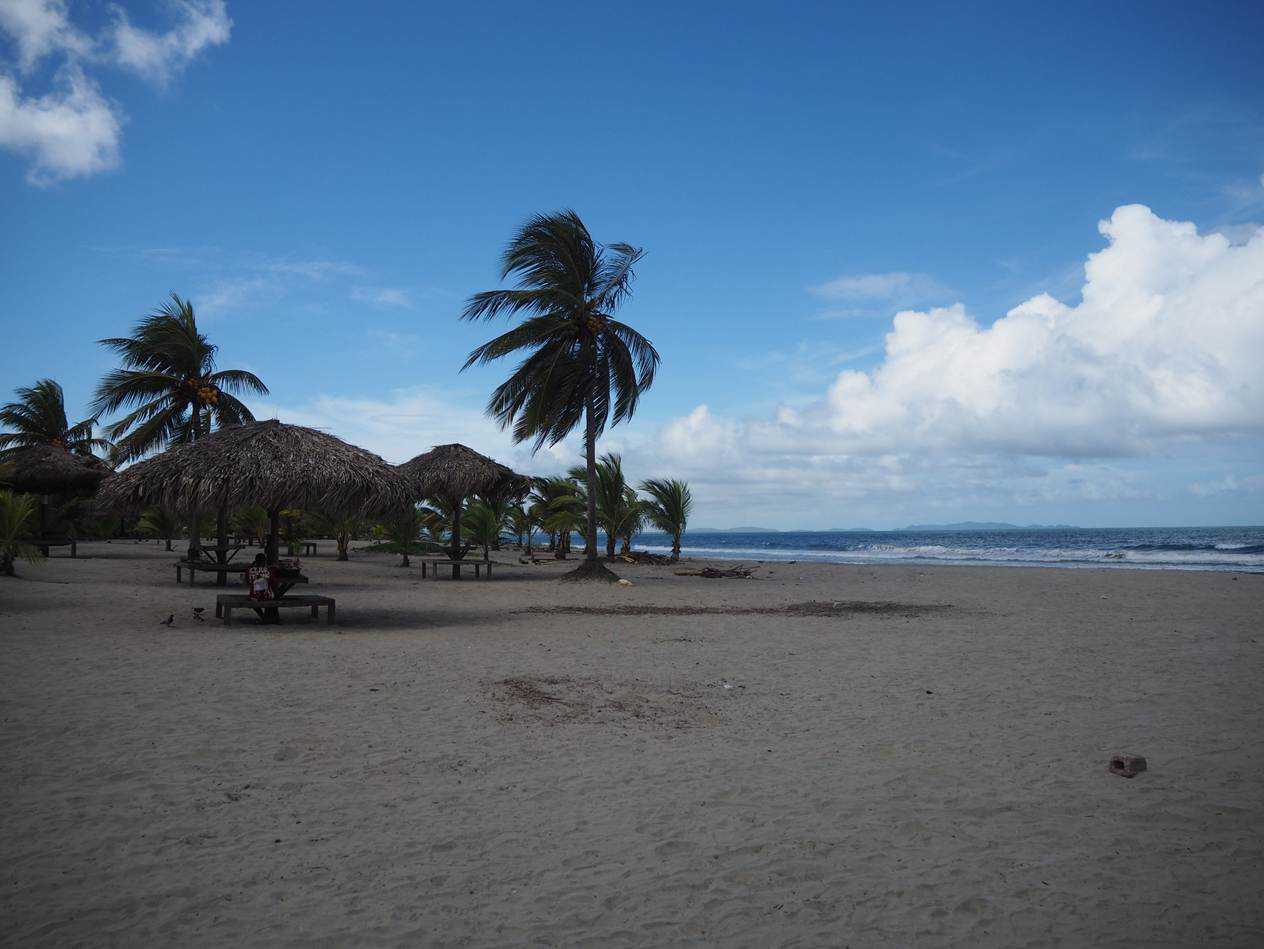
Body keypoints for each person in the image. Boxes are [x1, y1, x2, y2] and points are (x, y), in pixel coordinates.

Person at [244, 553, 279, 623]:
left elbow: (247, 581)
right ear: (264, 561)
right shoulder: (268, 570)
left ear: (255, 561)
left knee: (253, 600)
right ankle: (275, 618)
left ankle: (262, 616)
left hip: (254, 597)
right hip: (267, 596)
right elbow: (274, 582)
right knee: (274, 597)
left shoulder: (250, 570)